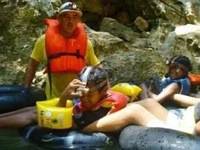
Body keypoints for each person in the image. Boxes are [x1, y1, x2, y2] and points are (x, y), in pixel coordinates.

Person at [24, 1, 99, 99]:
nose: (70, 21)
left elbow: (97, 70)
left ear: (78, 20)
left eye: (74, 17)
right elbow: (32, 65)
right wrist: (25, 89)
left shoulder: (86, 44)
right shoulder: (44, 40)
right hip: (53, 100)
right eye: (66, 17)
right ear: (59, 19)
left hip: (78, 100)